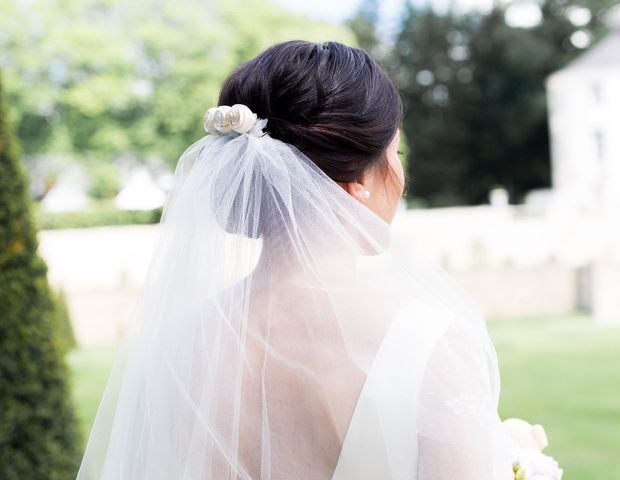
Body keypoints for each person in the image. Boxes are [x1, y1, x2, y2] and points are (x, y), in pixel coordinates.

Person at [76, 40, 515, 479]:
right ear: (358, 180)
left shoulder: (177, 348)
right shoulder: (430, 343)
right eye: (394, 154)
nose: (401, 173)